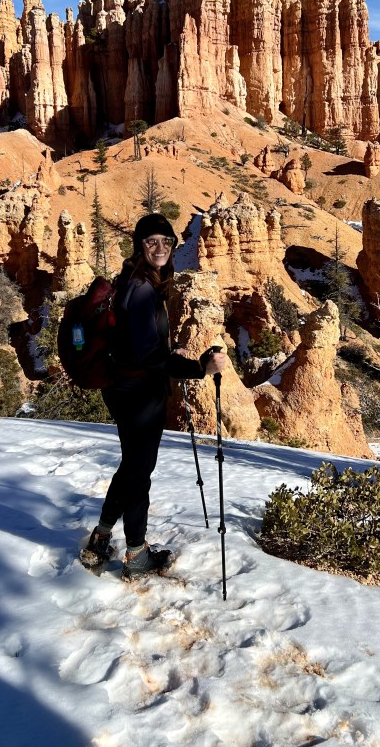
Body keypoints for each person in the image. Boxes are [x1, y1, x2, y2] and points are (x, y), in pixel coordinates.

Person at [80, 212, 226, 579]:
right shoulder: (143, 290)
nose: (160, 248)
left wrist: (165, 349)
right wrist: (199, 369)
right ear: (139, 246)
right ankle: (136, 553)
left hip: (123, 388)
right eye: (151, 242)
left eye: (166, 241)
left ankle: (100, 537)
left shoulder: (134, 280)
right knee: (139, 474)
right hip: (140, 396)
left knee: (130, 466)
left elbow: (141, 343)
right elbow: (149, 357)